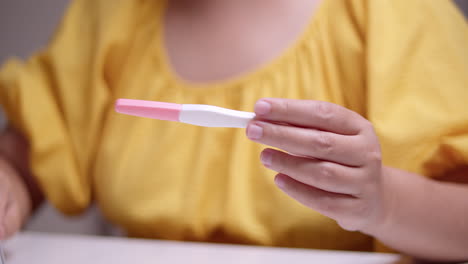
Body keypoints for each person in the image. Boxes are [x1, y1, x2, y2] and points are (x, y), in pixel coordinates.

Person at [1, 0, 467, 261]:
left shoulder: (395, 16)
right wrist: (9, 185)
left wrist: (382, 202)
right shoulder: (110, 16)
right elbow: (29, 152)